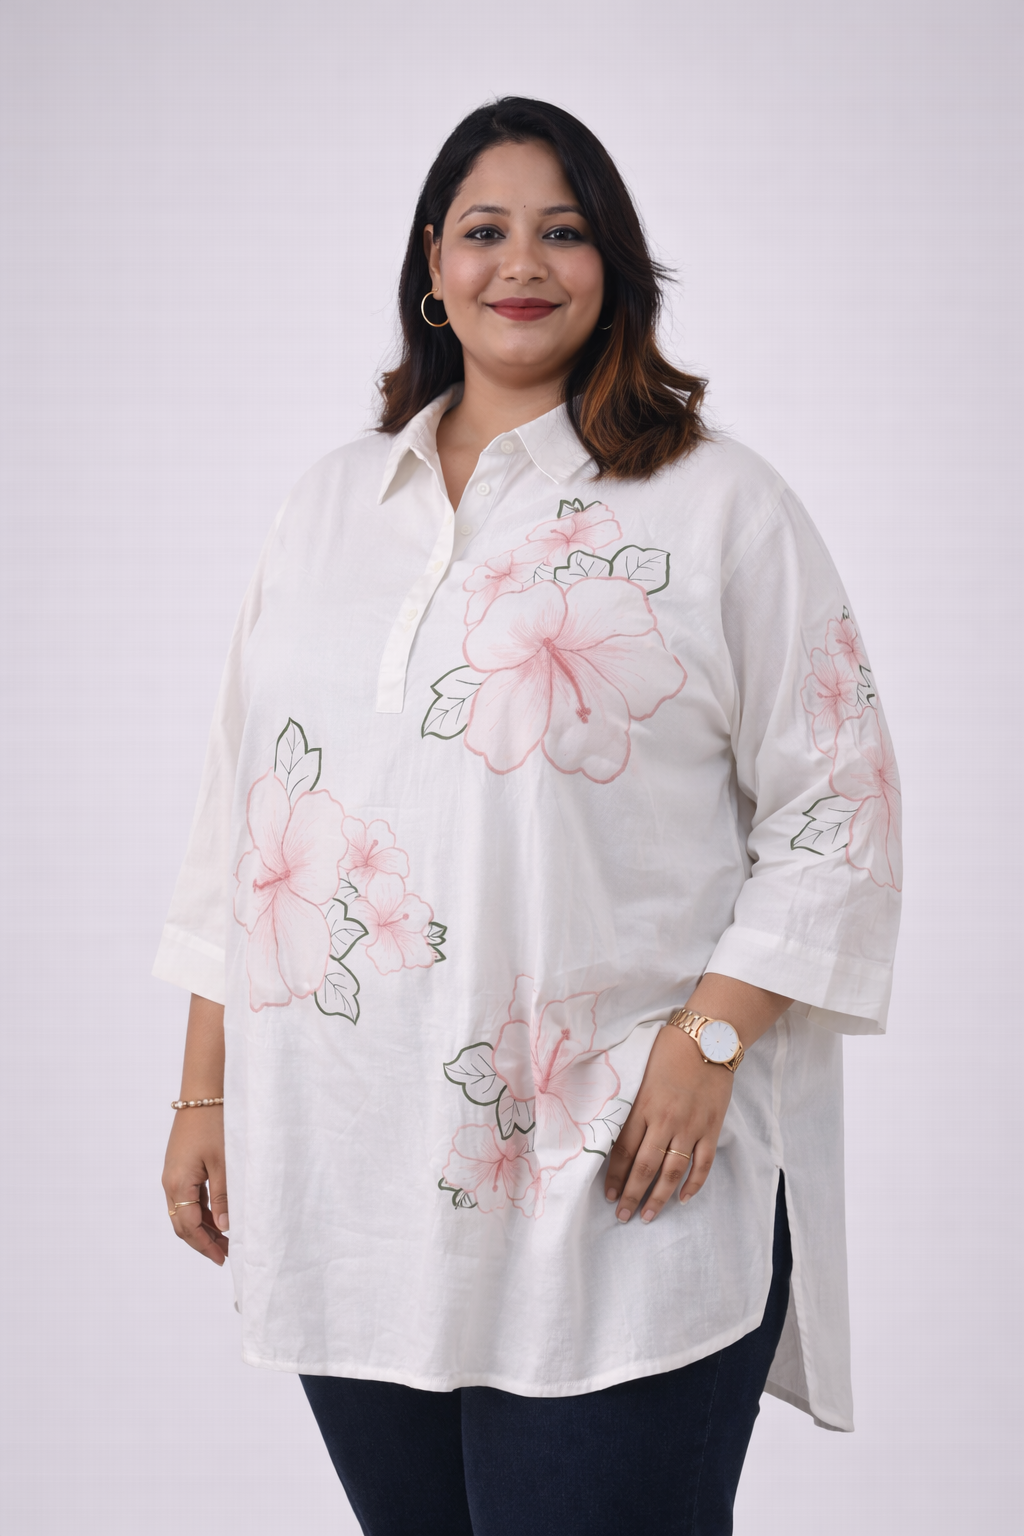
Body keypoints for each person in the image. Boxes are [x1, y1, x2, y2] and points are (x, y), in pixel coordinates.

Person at [157, 97, 902, 1536]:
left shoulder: (719, 504)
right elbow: (241, 821)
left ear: (613, 267)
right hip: (348, 1187)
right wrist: (204, 1094)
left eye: (563, 232)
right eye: (485, 231)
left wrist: (711, 1041)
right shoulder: (329, 506)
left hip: (619, 1183)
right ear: (431, 268)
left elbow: (841, 801)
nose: (522, 263)